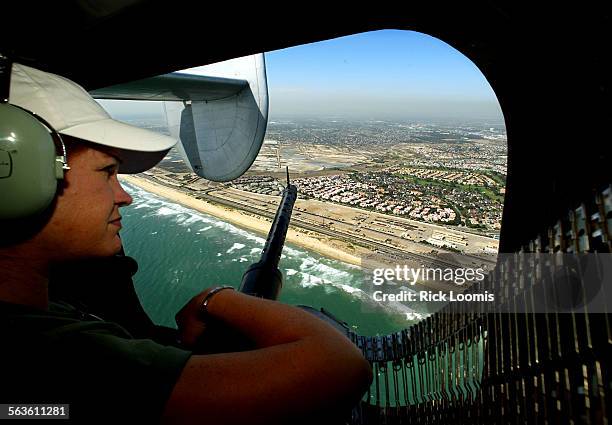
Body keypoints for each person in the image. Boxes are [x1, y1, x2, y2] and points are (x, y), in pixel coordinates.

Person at [0, 63, 373, 424]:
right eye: (107, 172)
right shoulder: (47, 358)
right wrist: (218, 298)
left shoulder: (54, 312)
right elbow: (340, 367)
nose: (124, 195)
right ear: (18, 177)